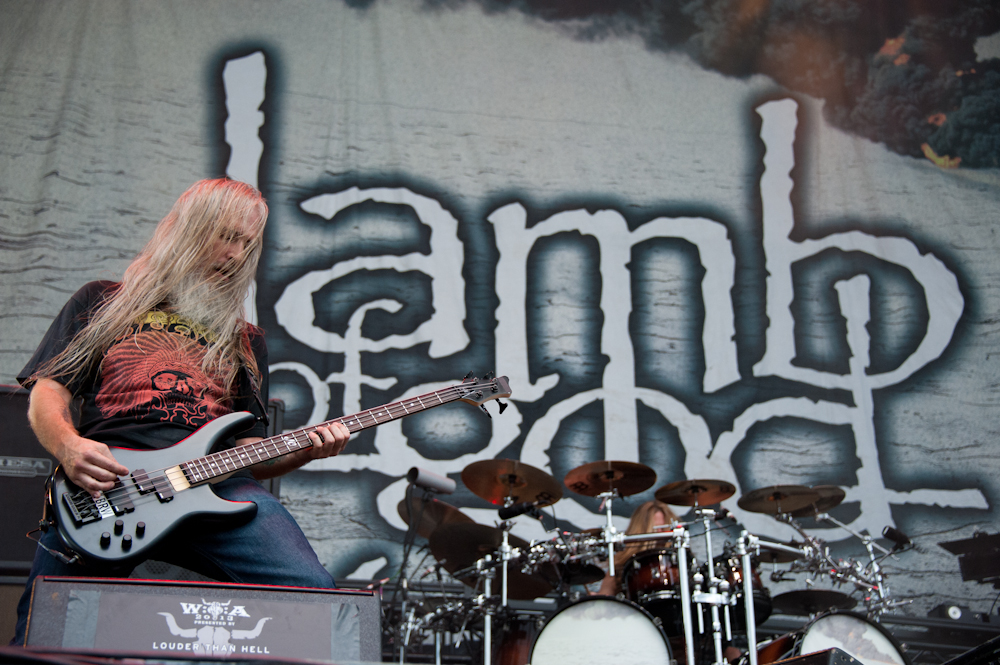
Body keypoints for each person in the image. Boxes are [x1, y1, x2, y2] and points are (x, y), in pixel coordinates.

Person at [9, 178, 351, 645]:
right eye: (227, 236)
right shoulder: (103, 302)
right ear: (189, 230)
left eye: (247, 245)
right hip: (113, 485)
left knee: (314, 597)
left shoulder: (245, 340)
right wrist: (70, 447)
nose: (235, 255)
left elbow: (252, 450)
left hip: (218, 485)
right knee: (48, 628)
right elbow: (49, 393)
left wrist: (305, 452)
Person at [597, 499, 678, 596]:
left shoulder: (678, 558)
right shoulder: (621, 564)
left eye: (663, 528)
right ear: (641, 530)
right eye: (655, 528)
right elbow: (605, 598)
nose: (660, 532)